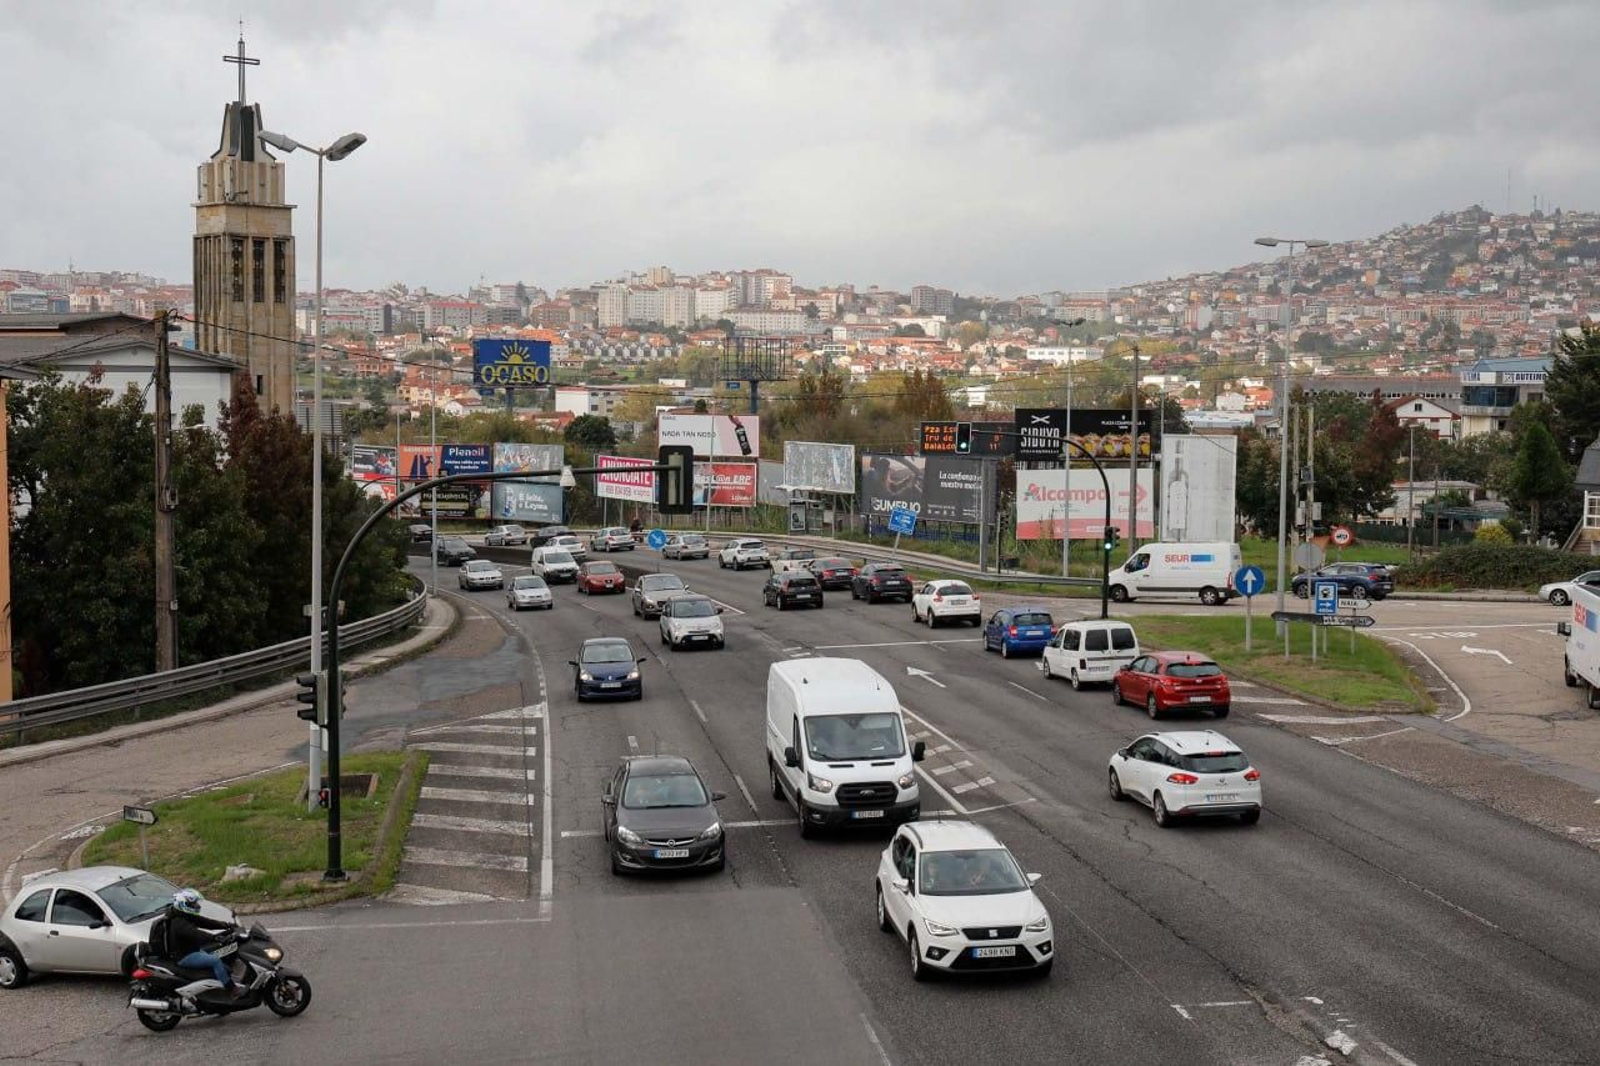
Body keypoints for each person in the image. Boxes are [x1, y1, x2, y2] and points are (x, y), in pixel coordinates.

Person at [165, 888, 243, 997]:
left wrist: (226, 925)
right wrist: (216, 938)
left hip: (192, 950)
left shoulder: (185, 915)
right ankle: (232, 990)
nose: (197, 905)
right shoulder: (179, 923)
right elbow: (197, 934)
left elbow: (205, 922)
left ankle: (218, 988)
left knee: (224, 966)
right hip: (185, 956)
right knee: (215, 961)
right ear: (184, 904)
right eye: (193, 903)